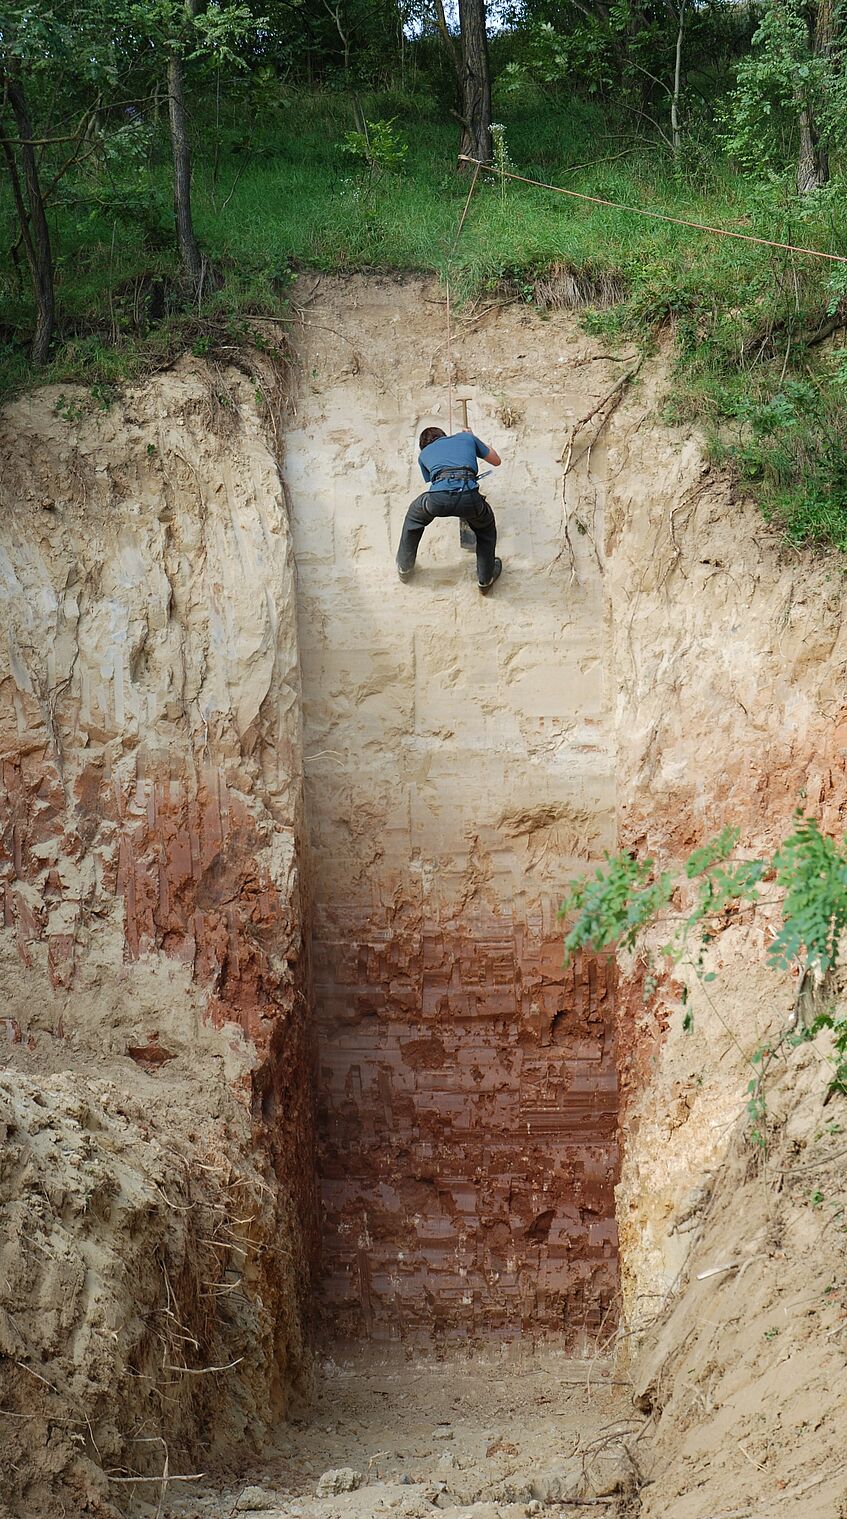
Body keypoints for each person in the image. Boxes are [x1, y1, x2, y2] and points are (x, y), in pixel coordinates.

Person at [396, 426, 503, 593]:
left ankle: (404, 567)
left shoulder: (423, 455)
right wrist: (474, 438)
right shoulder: (466, 438)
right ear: (444, 436)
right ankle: (485, 579)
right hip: (470, 498)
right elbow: (496, 460)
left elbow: (433, 479)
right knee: (485, 530)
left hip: (438, 499)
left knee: (414, 517)